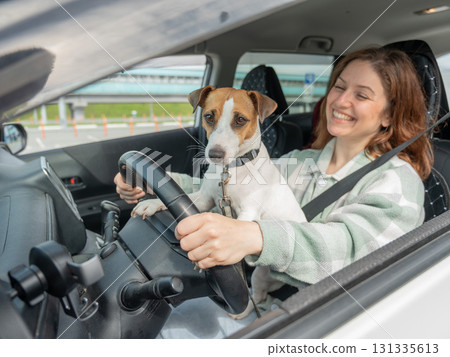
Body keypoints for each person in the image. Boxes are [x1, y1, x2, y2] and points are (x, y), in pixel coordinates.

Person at [114, 47, 432, 337]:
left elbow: (350, 251)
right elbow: (225, 186)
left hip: (324, 321)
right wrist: (156, 182)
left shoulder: (397, 182)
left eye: (361, 95)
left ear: (389, 114)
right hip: (257, 306)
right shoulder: (299, 162)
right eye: (339, 86)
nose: (342, 101)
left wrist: (257, 237)